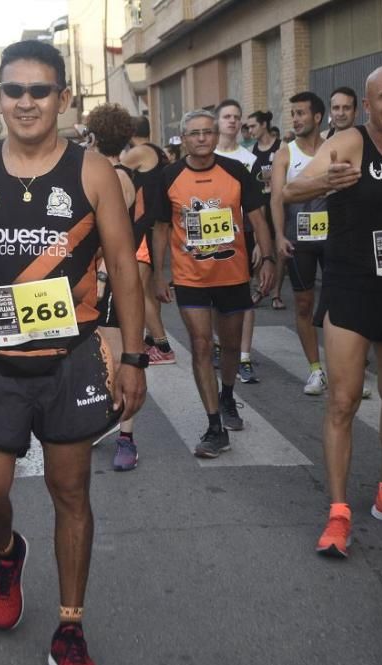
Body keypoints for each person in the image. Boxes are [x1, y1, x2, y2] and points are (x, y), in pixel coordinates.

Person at [0, 40, 147, 665]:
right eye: (13, 90)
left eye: (39, 91)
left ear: (63, 99)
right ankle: (6, 553)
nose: (25, 102)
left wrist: (131, 355)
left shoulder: (91, 172)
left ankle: (69, 630)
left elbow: (125, 271)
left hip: (70, 359)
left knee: (70, 494)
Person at [283, 65, 382, 558]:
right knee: (343, 402)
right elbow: (290, 191)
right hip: (353, 289)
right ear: (367, 104)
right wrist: (325, 181)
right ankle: (339, 512)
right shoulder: (351, 143)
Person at [152, 109, 275, 458]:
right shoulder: (169, 176)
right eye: (194, 133)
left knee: (231, 347)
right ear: (184, 139)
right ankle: (214, 426)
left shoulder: (236, 171)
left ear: (215, 135)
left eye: (207, 131)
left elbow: (257, 218)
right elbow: (161, 227)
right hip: (190, 277)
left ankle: (227, 395)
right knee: (202, 345)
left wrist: (267, 258)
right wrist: (158, 275)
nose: (202, 138)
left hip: (233, 276)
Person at [86, 103, 146, 471]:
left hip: (112, 279)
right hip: (102, 277)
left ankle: (126, 436)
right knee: (104, 355)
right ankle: (108, 420)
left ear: (94, 136)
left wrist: (104, 279)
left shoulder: (115, 178)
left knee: (119, 355)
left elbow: (116, 242)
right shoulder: (110, 172)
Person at [269, 92, 328, 395]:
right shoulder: (285, 154)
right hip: (299, 238)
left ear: (317, 117)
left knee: (340, 304)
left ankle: (346, 368)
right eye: (293, 113)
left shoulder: (334, 147)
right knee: (304, 304)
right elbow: (277, 199)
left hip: (335, 240)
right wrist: (279, 235)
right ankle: (316, 370)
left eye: (301, 113)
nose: (295, 118)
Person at [120, 116, 175, 365]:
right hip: (155, 227)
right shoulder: (158, 151)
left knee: (139, 291)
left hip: (143, 229)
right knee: (148, 290)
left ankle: (163, 347)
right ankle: (153, 340)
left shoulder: (138, 152)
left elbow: (113, 170)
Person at [214, 99, 262, 384]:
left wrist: (260, 243)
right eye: (226, 116)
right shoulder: (207, 154)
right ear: (218, 122)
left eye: (236, 116)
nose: (231, 121)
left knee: (244, 299)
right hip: (210, 239)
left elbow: (259, 206)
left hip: (242, 235)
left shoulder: (250, 159)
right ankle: (220, 344)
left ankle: (244, 357)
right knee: (212, 300)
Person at [247, 110, 284, 309]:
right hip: (258, 205)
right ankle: (260, 287)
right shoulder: (251, 152)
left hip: (278, 203)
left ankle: (276, 293)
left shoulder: (281, 147)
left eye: (253, 126)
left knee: (278, 251)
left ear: (264, 125)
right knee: (260, 246)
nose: (249, 130)